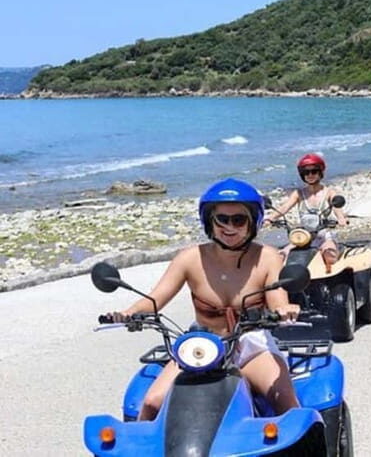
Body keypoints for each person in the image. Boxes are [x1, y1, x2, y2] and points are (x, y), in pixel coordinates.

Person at [104, 178, 301, 421]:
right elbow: (154, 300)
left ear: (253, 222)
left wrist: (284, 310)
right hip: (202, 346)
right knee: (153, 401)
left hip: (252, 347)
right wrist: (128, 314)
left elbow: (278, 300)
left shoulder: (268, 257)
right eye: (222, 219)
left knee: (286, 402)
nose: (229, 227)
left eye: (239, 220)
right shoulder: (190, 258)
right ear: (210, 220)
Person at [267, 153, 348, 272]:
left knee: (330, 256)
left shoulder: (329, 192)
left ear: (320, 172)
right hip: (303, 236)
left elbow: (337, 208)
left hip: (324, 235)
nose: (310, 175)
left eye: (314, 171)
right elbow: (284, 207)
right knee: (282, 255)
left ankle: (333, 277)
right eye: (306, 172)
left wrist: (341, 219)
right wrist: (270, 218)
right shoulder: (298, 194)